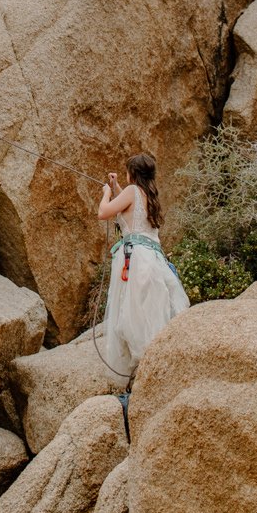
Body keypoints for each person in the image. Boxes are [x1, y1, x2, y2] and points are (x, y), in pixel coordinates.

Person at [97, 152, 189, 387]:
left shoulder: (132, 191)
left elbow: (104, 213)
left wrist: (107, 194)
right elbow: (131, 213)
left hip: (136, 261)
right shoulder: (148, 194)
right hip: (152, 261)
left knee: (133, 317)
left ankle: (144, 374)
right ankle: (156, 368)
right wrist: (117, 186)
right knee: (148, 313)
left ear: (132, 174)